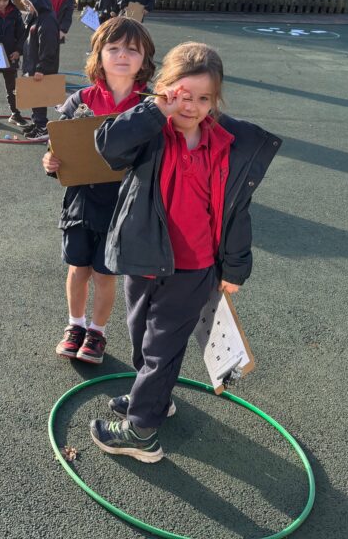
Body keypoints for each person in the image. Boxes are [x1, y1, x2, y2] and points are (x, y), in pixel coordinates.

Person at [87, 42, 281, 463]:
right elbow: (108, 146)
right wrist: (156, 111)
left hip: (194, 268)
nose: (191, 106)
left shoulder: (227, 144)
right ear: (164, 90)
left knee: (163, 346)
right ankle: (155, 398)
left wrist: (235, 267)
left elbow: (235, 213)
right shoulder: (150, 132)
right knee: (141, 336)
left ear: (216, 100)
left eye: (203, 98)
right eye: (181, 96)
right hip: (144, 257)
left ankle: (141, 432)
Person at [42, 17, 156, 364]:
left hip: (123, 206)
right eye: (114, 48)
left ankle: (97, 331)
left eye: (132, 50)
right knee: (78, 268)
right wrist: (50, 162)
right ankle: (75, 325)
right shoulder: (81, 100)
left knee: (106, 274)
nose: (123, 55)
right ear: (99, 55)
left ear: (144, 59)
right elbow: (58, 147)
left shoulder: (149, 106)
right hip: (80, 200)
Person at [20, 0, 61, 139]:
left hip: (41, 67)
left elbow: (49, 47)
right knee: (34, 96)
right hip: (33, 64)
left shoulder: (47, 20)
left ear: (36, 1)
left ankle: (42, 127)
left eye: (28, 4)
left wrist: (41, 68)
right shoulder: (36, 17)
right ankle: (37, 122)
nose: (27, 7)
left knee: (39, 97)